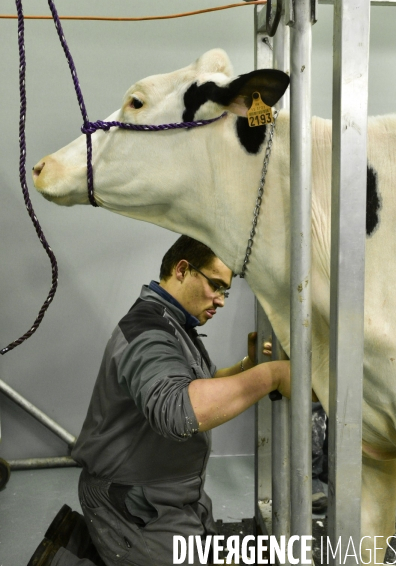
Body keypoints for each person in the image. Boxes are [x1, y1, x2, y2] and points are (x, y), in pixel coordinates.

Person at [28, 235, 291, 566]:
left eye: (225, 291)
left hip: (170, 494)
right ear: (183, 270)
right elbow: (180, 410)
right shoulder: (147, 332)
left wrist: (248, 367)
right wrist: (273, 376)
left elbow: (202, 387)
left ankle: (93, 545)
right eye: (216, 286)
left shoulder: (175, 326)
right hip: (131, 501)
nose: (221, 300)